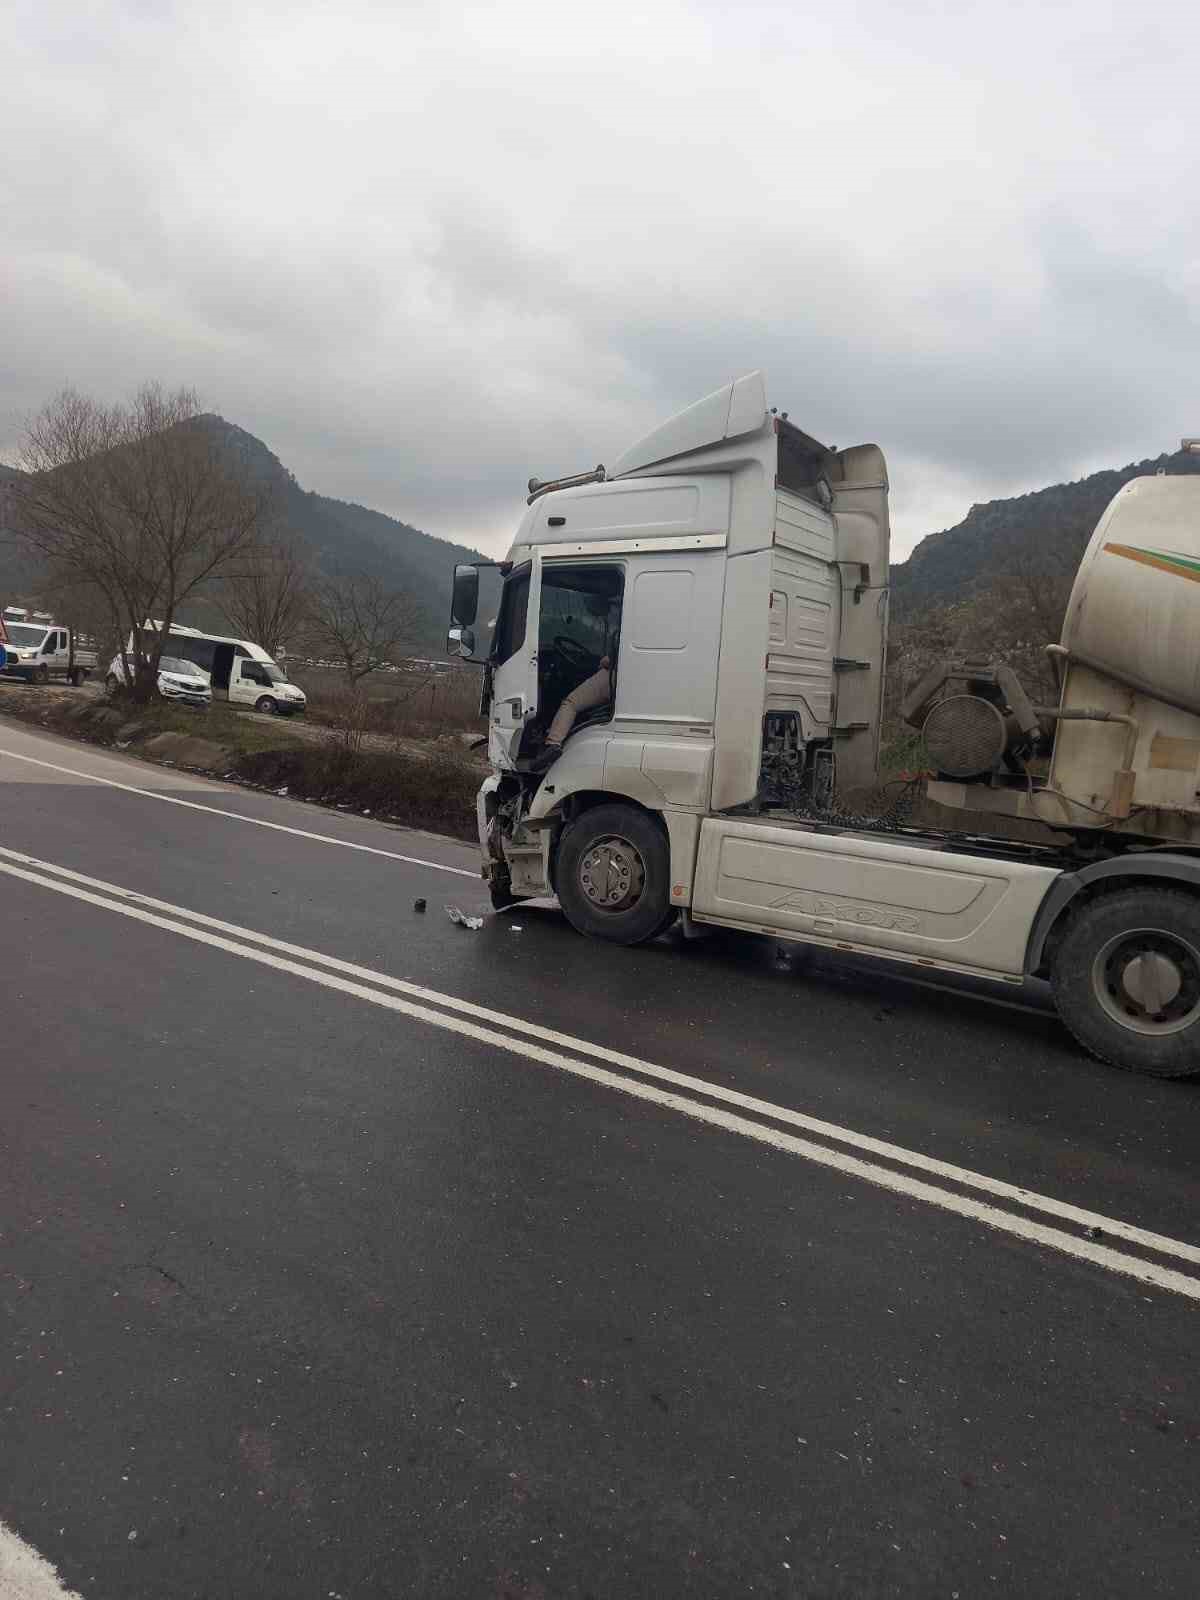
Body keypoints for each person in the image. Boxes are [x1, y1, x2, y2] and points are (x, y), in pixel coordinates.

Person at [530, 653, 613, 771]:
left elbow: (613, 658)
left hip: (613, 675)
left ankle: (553, 742)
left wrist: (603, 662)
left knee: (571, 703)